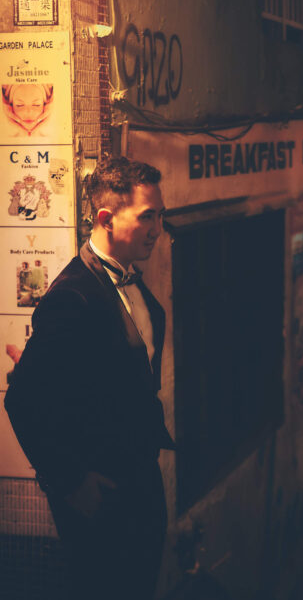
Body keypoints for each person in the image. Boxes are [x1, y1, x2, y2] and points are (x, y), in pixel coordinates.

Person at [4, 157, 175, 600]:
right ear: (105, 218)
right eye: (147, 217)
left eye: (161, 216)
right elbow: (22, 399)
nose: (158, 229)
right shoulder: (72, 296)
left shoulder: (130, 281)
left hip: (140, 477)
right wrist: (70, 481)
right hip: (102, 492)